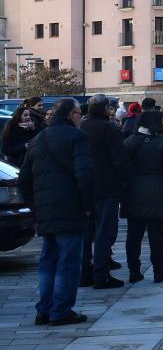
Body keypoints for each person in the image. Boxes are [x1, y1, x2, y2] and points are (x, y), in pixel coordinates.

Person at [19, 98, 96, 326]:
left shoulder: (38, 139)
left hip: (45, 211)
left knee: (48, 260)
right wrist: (88, 205)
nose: (80, 119)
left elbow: (24, 179)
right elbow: (85, 174)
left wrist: (35, 205)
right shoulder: (77, 137)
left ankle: (44, 309)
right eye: (79, 115)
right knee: (69, 262)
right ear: (72, 114)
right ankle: (61, 310)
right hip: (71, 209)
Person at [122, 110, 163, 283]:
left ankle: (134, 271)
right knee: (157, 236)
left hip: (133, 194)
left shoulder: (129, 142)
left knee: (134, 235)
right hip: (159, 194)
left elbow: (121, 170)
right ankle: (159, 271)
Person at [77, 94, 130, 289]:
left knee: (86, 231)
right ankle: (101, 274)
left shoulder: (81, 126)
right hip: (107, 186)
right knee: (104, 231)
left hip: (84, 186)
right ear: (106, 108)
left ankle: (84, 272)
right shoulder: (110, 128)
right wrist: (125, 179)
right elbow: (120, 159)